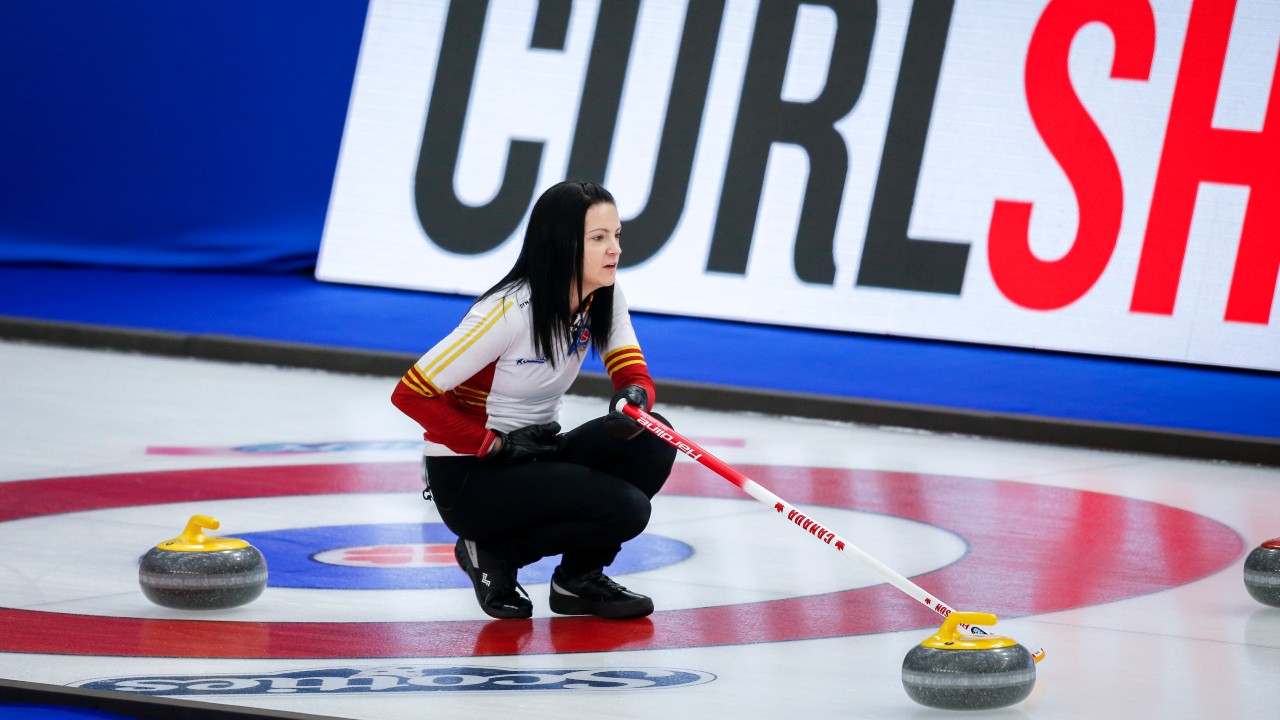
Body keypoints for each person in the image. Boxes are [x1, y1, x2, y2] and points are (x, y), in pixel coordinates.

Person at [391, 180, 677, 621]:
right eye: (598, 239)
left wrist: (632, 399)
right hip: (471, 473)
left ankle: (577, 579)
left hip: (537, 452)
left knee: (655, 435)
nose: (614, 250)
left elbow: (631, 372)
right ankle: (492, 552)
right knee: (627, 508)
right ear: (561, 245)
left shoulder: (604, 295)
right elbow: (410, 394)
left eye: (617, 235)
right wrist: (494, 445)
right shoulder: (507, 310)